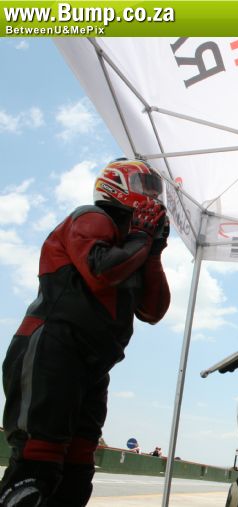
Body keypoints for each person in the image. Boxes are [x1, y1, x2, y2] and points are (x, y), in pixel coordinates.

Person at [0, 158, 171, 507]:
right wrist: (141, 238)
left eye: (155, 190)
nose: (152, 197)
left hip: (92, 363)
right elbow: (101, 271)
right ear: (116, 185)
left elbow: (153, 310)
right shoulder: (92, 218)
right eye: (145, 187)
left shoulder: (133, 247)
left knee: (76, 474)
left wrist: (152, 252)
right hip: (52, 349)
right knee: (37, 466)